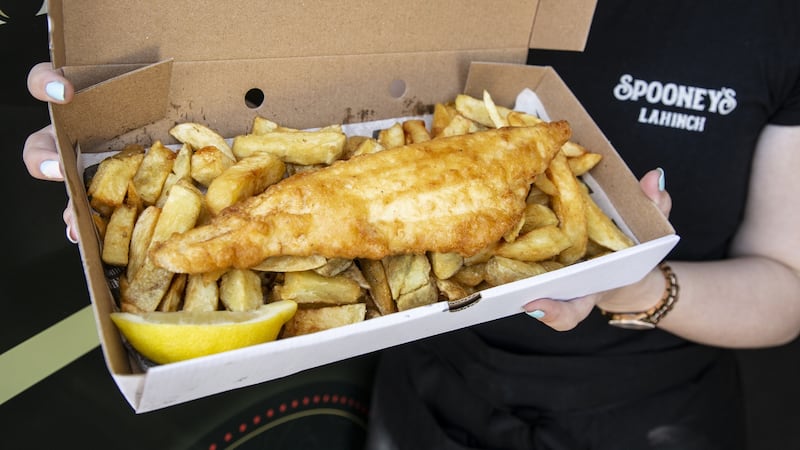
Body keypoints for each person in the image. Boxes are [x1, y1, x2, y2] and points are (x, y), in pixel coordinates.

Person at [21, 1, 800, 449]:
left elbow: (785, 288)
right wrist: (106, 96)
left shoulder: (773, 24)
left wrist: (631, 286)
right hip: (425, 391)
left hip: (652, 417)